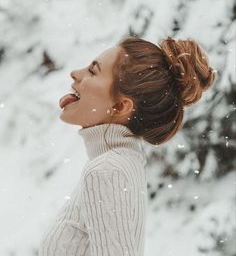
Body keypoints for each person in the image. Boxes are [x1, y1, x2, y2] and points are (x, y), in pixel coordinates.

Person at [38, 36, 216, 256]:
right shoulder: (119, 162)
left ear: (122, 106)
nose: (75, 73)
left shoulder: (107, 171)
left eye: (93, 71)